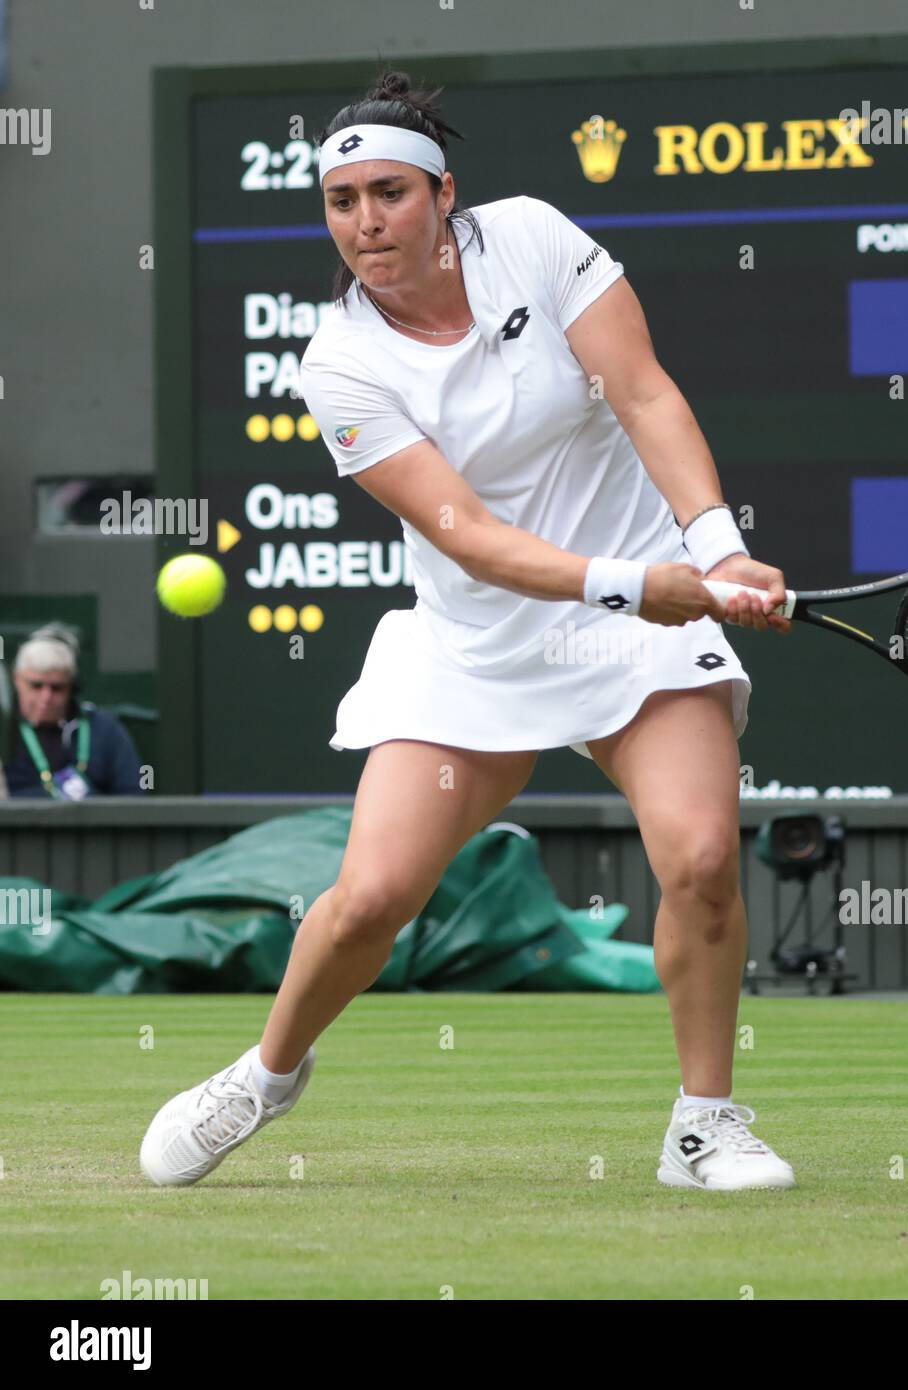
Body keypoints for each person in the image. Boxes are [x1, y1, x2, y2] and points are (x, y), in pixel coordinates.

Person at [139, 70, 795, 1193]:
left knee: (696, 859)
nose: (365, 222)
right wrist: (647, 581)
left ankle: (702, 1125)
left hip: (633, 635)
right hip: (475, 645)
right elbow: (476, 540)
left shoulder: (534, 239)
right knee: (371, 903)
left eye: (387, 193)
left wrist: (716, 546)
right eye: (340, 202)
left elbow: (641, 392)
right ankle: (263, 1075)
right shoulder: (338, 364)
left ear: (445, 194)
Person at [5, 625, 144, 799]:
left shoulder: (106, 730)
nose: (46, 697)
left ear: (73, 686)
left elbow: (132, 797)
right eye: (36, 686)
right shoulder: (4, 730)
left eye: (57, 688)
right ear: (16, 679)